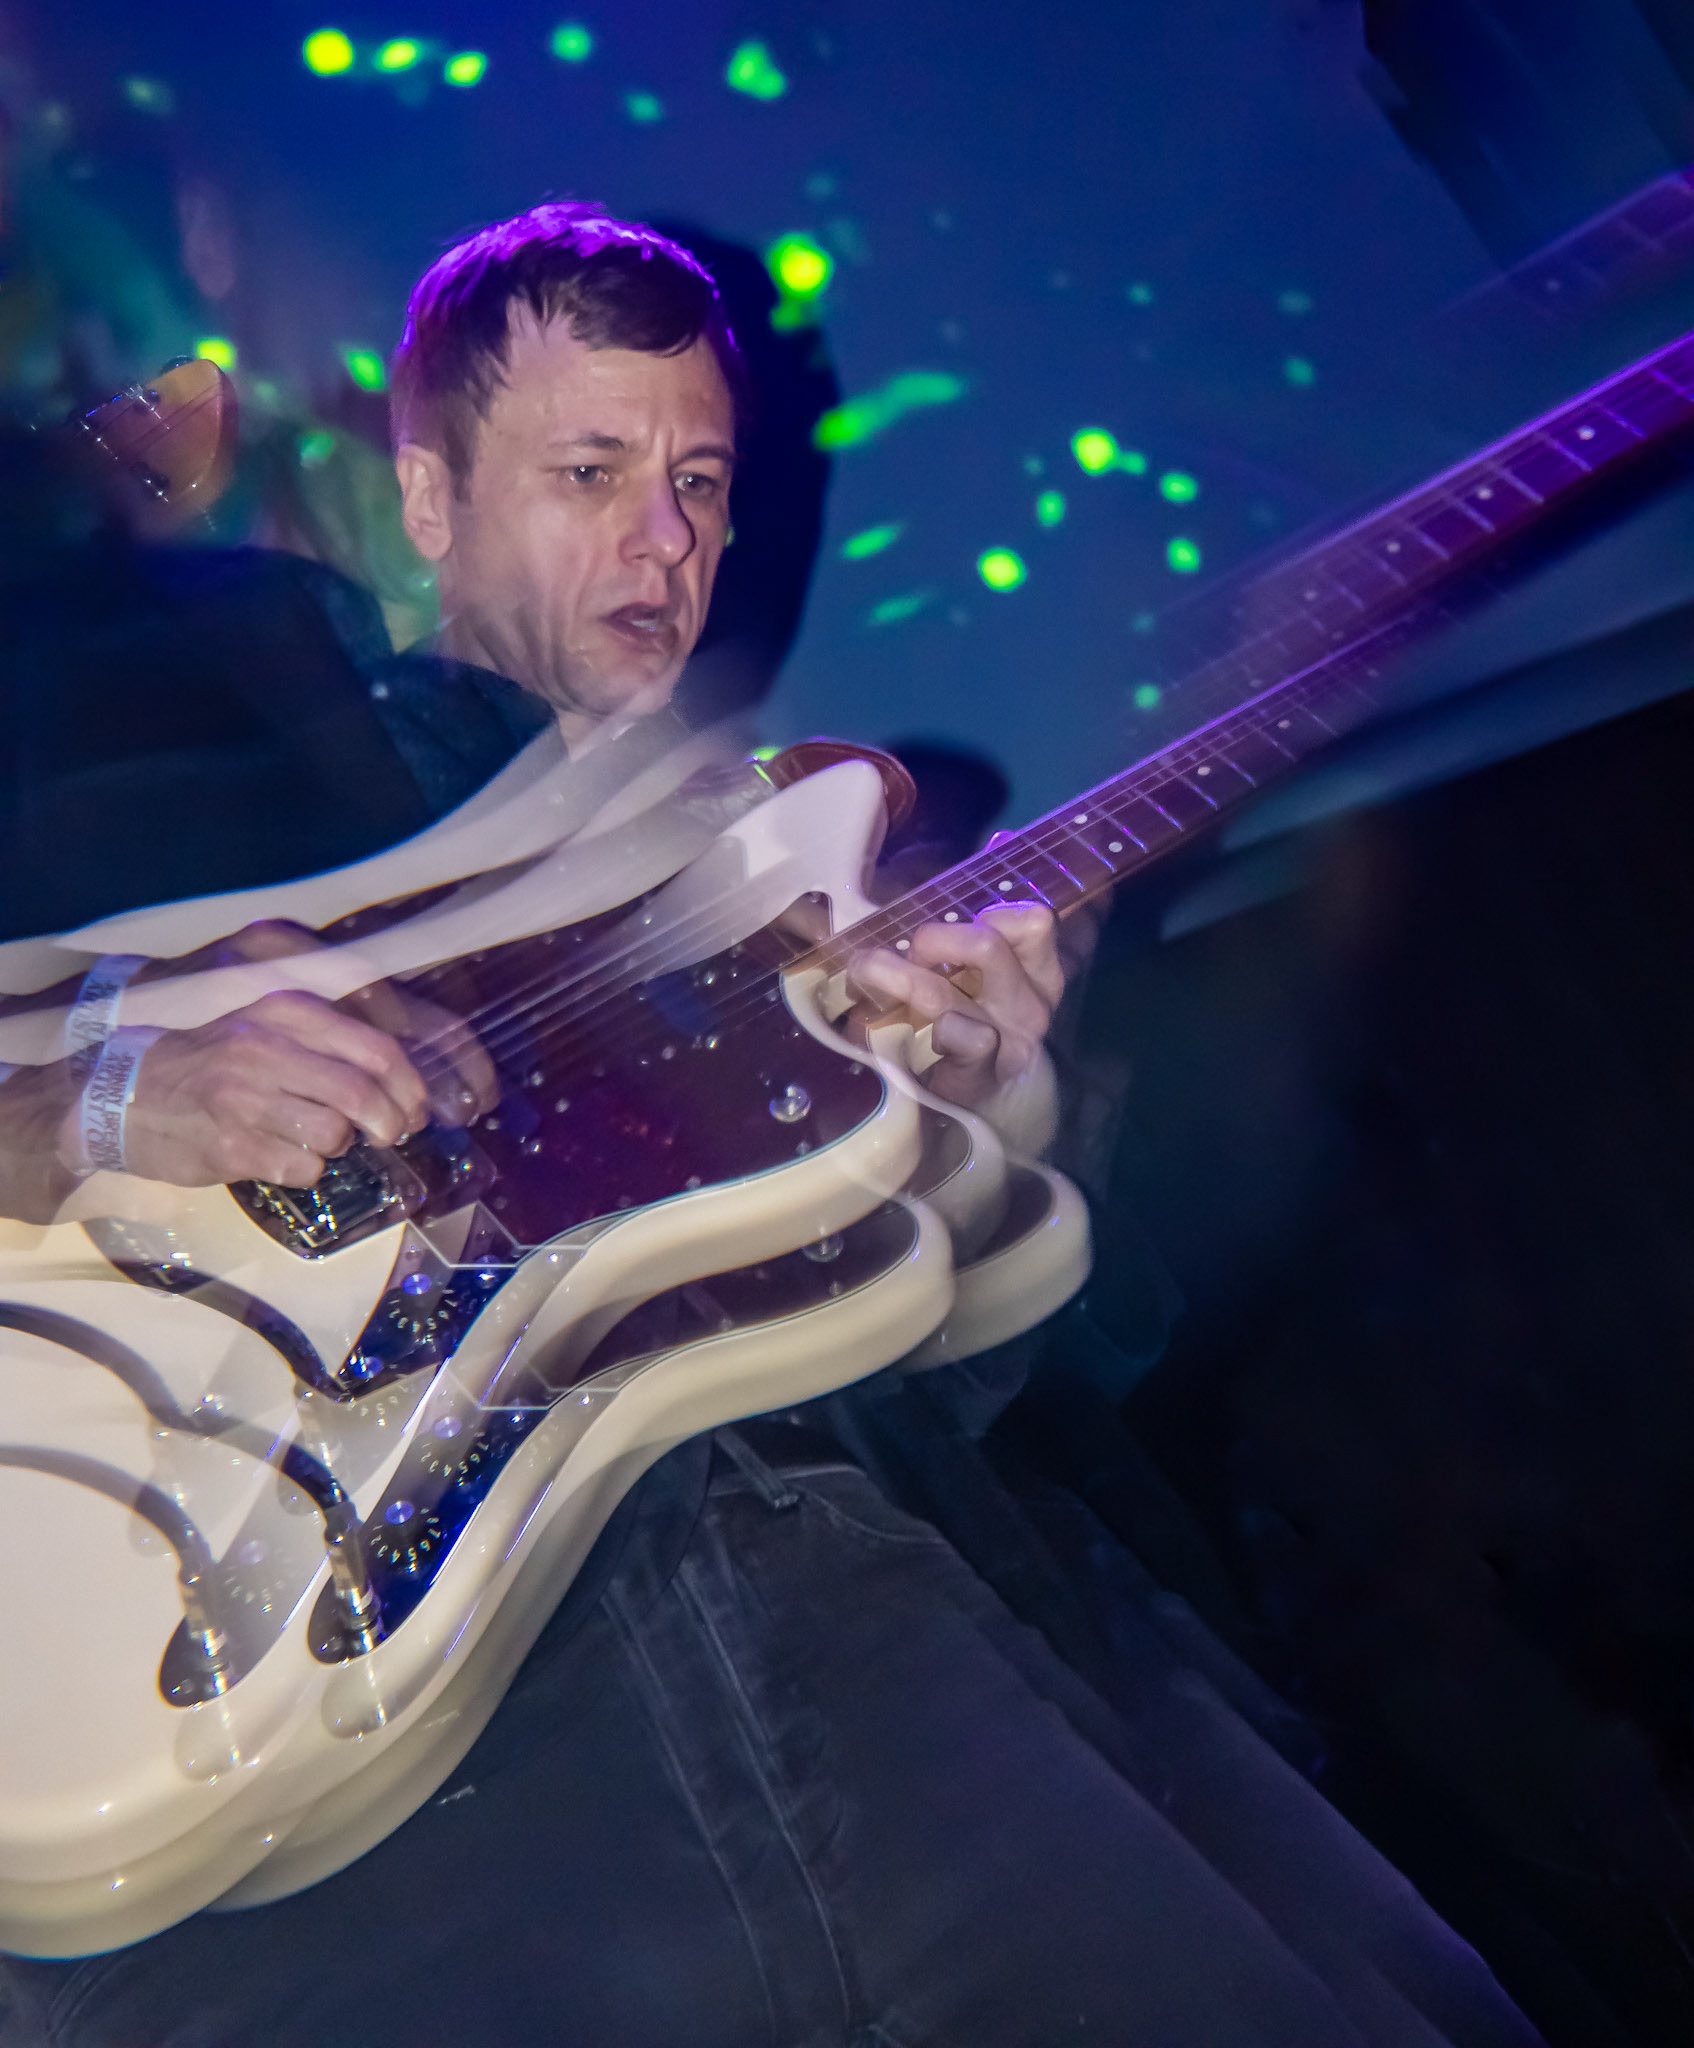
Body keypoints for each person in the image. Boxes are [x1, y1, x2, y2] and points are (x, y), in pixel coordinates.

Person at [0, 203, 1544, 2047]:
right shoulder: (163, 751)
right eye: (591, 471)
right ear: (427, 496)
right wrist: (101, 1092)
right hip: (380, 1846)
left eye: (701, 484)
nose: (664, 540)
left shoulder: (786, 860)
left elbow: (1046, 1367)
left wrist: (990, 1103)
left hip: (900, 1656)